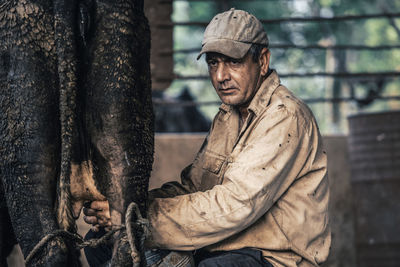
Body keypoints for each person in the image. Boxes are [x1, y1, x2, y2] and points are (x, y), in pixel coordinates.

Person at [83, 8, 331, 267]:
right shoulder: (229, 116)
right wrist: (126, 206)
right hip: (221, 245)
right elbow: (194, 188)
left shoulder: (285, 116)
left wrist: (138, 218)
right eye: (214, 62)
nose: (221, 76)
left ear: (263, 61)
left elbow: (236, 205)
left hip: (272, 257)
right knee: (104, 242)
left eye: (233, 62)